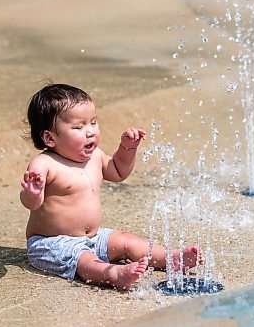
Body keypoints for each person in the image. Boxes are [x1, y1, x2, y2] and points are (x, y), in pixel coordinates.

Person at [21, 83, 203, 290]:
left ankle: (171, 258)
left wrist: (127, 149)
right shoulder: (44, 164)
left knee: (127, 240)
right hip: (52, 243)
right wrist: (32, 193)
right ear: (50, 137)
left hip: (94, 237)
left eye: (93, 122)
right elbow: (32, 204)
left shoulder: (95, 157)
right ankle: (113, 274)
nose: (90, 132)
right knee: (86, 261)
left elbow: (118, 171)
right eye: (79, 127)